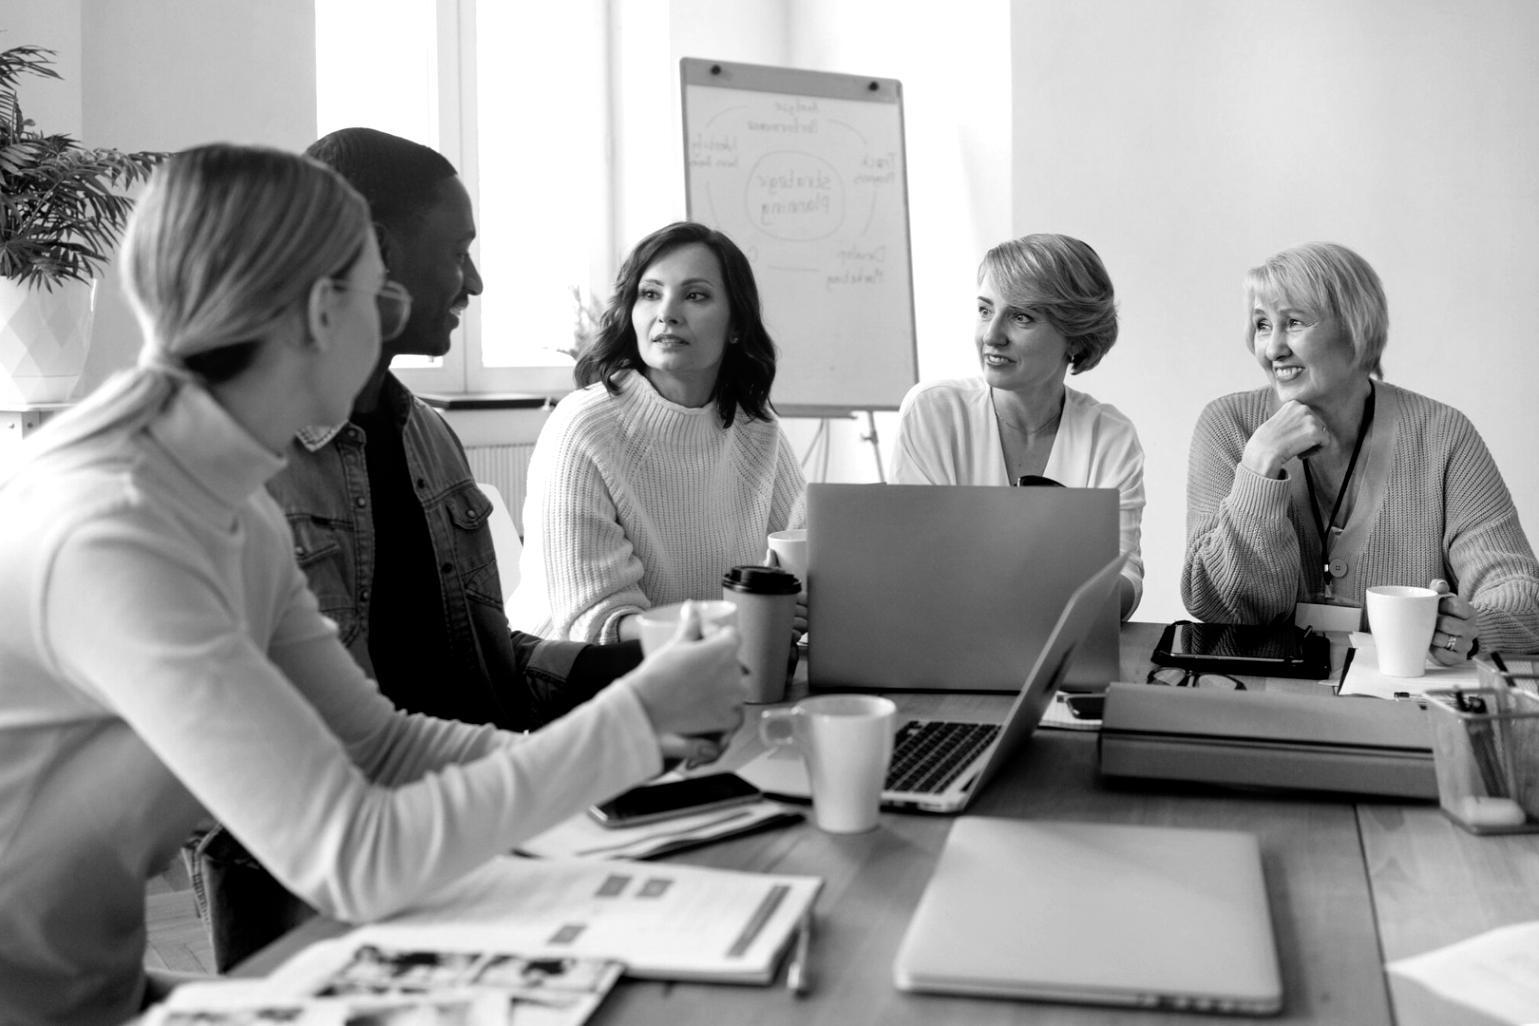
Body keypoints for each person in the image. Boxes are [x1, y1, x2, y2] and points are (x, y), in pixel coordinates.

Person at [0, 144, 744, 1026]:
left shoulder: (230, 501)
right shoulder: (117, 528)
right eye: (374, 289)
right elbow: (353, 852)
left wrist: (630, 759)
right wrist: (636, 721)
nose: (395, 310)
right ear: (323, 311)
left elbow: (380, 746)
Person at [277, 127, 640, 730]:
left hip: (471, 785)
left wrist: (625, 667)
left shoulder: (429, 437)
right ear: (376, 251)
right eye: (456, 252)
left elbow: (480, 671)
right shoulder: (260, 464)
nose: (473, 283)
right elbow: (343, 747)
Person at [1182, 241, 1539, 660]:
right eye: (1262, 325)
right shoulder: (1228, 426)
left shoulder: (1444, 434)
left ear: (1356, 328)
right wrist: (1260, 466)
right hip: (1262, 698)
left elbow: (1520, 595)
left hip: (1400, 706)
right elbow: (1217, 604)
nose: (1273, 348)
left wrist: (1472, 627)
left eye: (1293, 322)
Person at [509, 221, 807, 643]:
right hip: (568, 681)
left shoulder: (756, 428)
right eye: (650, 294)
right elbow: (596, 624)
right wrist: (732, 622)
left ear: (736, 324)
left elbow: (806, 554)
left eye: (695, 295)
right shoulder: (585, 425)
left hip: (707, 669)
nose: (666, 312)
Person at [889, 233, 1146, 619]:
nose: (992, 336)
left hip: (1061, 651)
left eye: (1021, 317)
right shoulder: (933, 412)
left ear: (1074, 337)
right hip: (945, 644)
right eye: (984, 310)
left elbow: (1125, 578)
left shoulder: (1109, 435)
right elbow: (913, 568)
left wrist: (1095, 592)